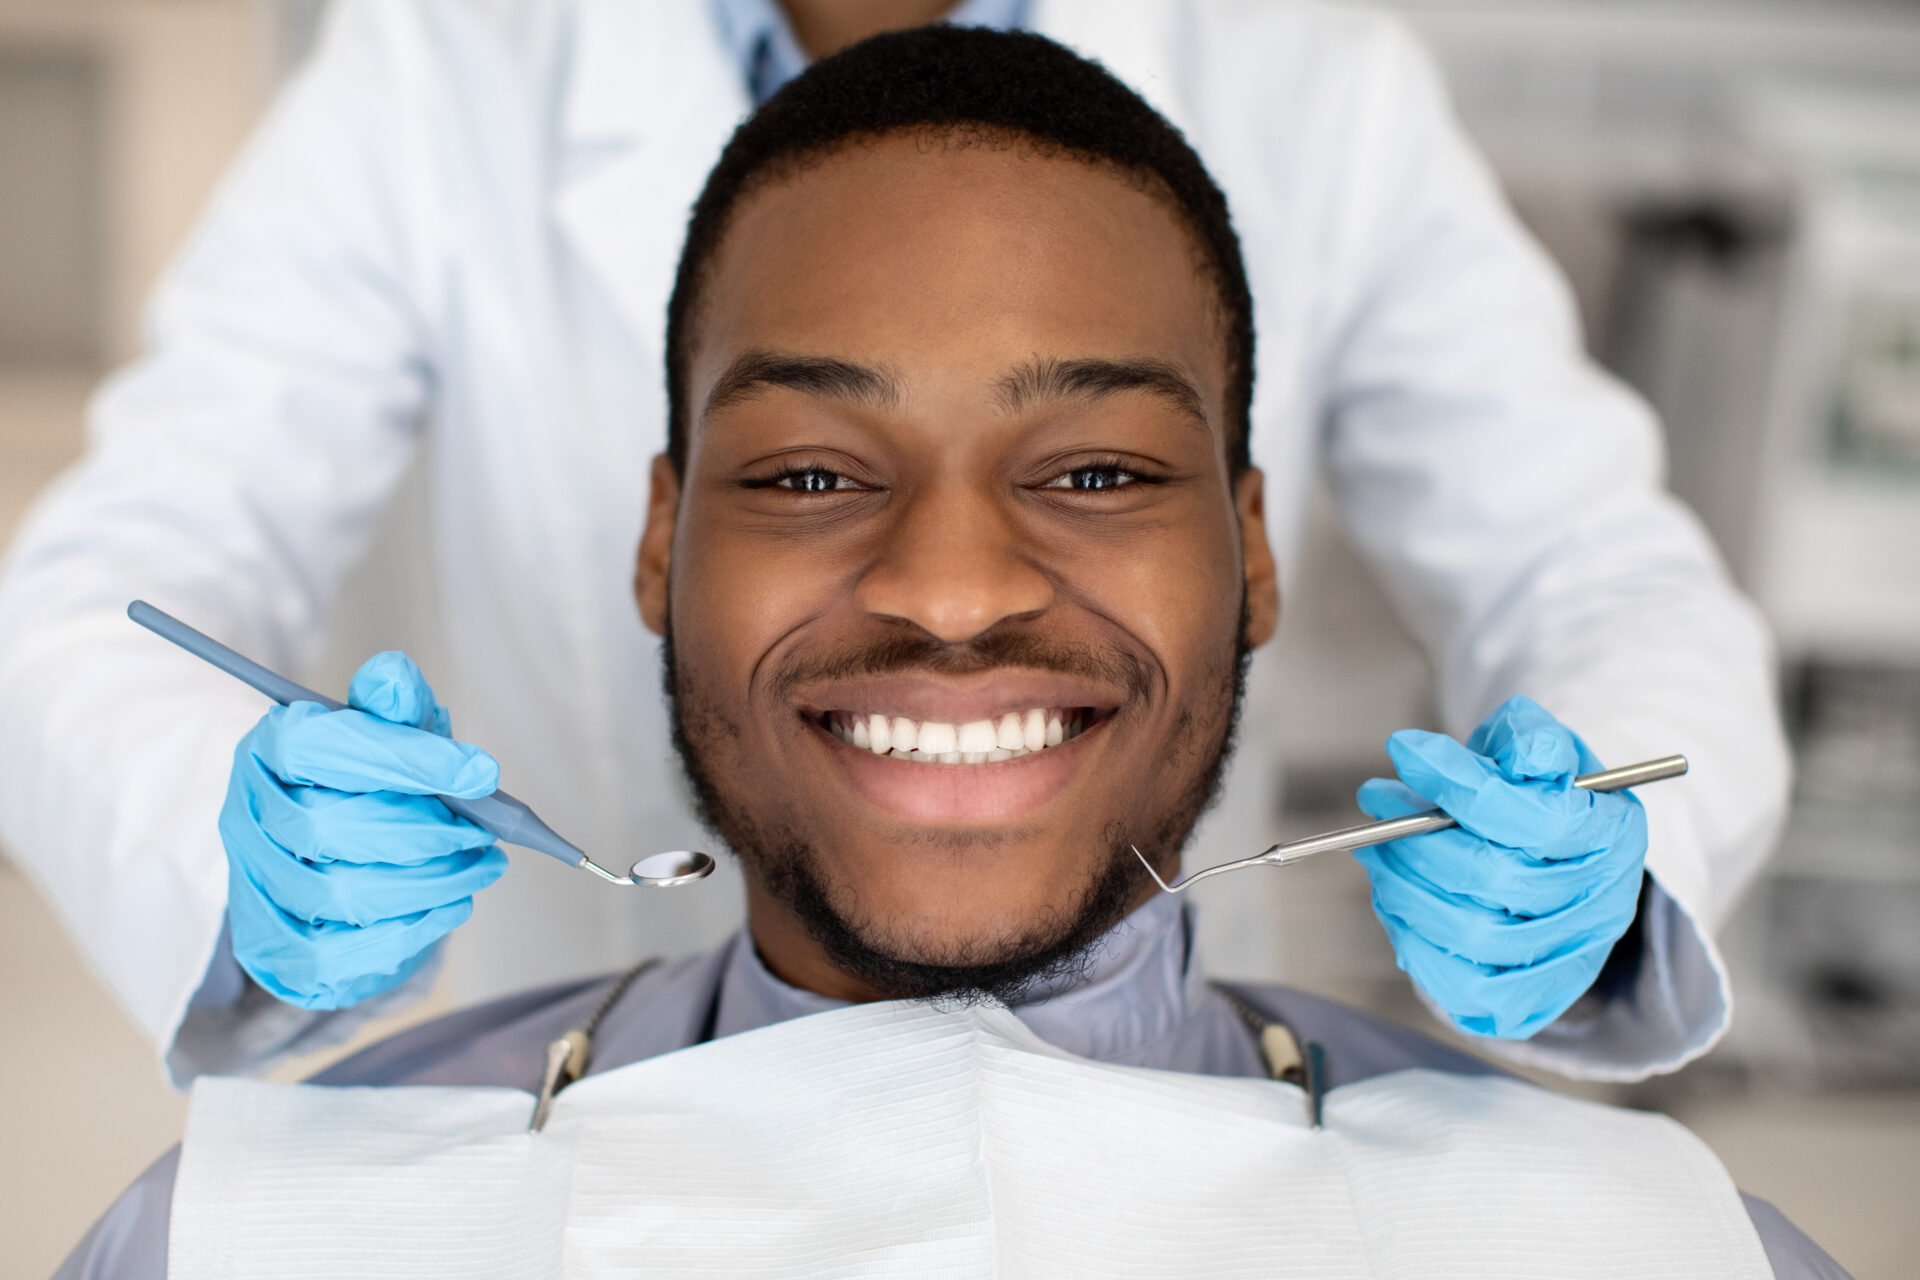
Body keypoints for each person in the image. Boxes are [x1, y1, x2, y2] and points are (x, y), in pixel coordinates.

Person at [57, 29, 1841, 1277]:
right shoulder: (240, 1243)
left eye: (1098, 469)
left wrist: (1608, 853)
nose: (956, 587)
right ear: (663, 536)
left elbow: (1593, 558)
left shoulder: (1642, 1249)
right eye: (814, 470)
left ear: (1252, 545)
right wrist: (237, 857)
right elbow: (123, 569)